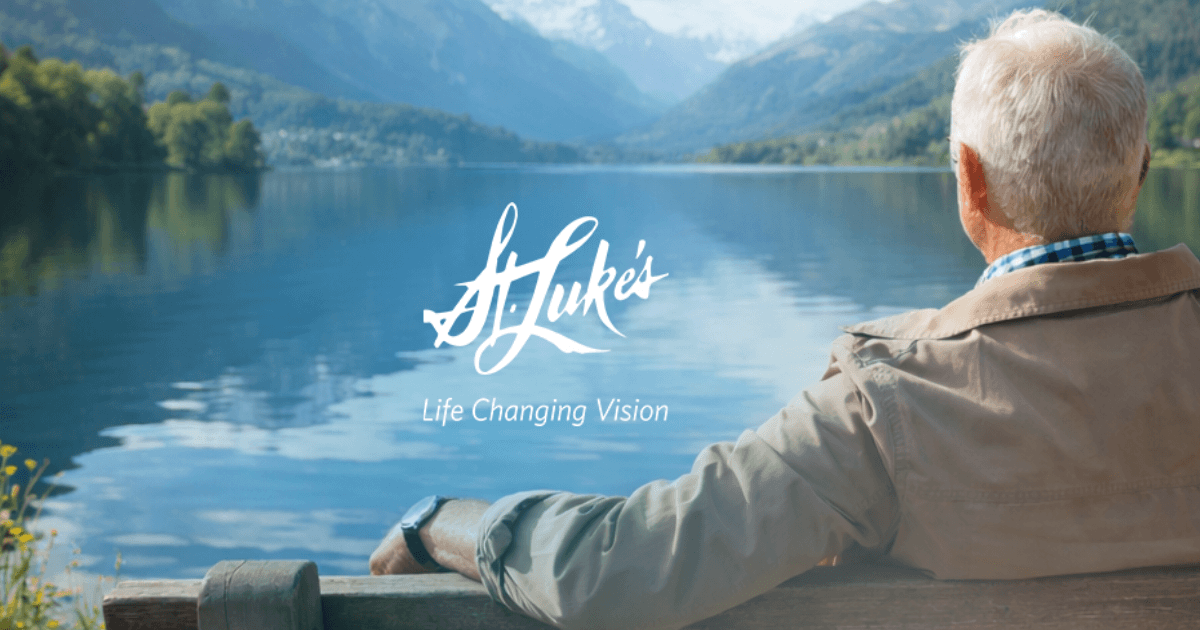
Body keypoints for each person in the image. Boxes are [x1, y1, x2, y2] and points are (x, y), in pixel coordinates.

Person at [370, 9, 1200, 629]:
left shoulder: (887, 407)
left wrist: (439, 521)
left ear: (968, 180)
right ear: (1140, 172)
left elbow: (614, 574)